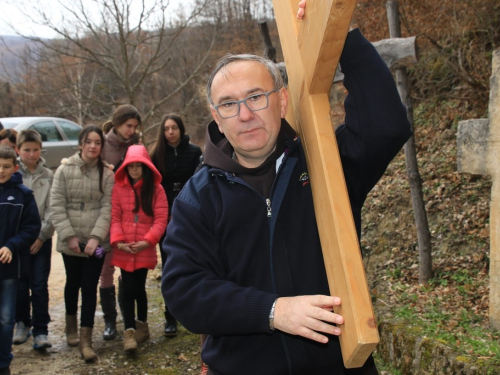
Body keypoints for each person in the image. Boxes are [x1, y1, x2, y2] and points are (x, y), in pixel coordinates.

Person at [161, 2, 412, 374]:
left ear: (280, 101)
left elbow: (386, 124)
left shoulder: (326, 164)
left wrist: (335, 30)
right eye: (229, 104)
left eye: (255, 97)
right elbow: (185, 292)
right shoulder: (198, 198)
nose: (244, 114)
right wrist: (273, 311)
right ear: (216, 117)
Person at [50, 126, 115, 363]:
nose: (93, 146)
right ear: (81, 144)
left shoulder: (107, 174)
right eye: (88, 142)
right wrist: (69, 237)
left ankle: (87, 341)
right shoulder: (64, 171)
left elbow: (107, 207)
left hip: (96, 243)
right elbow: (56, 205)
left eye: (97, 142)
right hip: (72, 240)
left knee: (89, 287)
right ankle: (70, 327)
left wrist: (97, 238)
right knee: (73, 283)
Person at [110, 145, 168, 353]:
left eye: (138, 166)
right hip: (124, 247)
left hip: (143, 246)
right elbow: (115, 216)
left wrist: (148, 240)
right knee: (127, 288)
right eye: (131, 166)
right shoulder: (119, 188)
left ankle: (142, 324)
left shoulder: (156, 190)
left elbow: (161, 219)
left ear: (146, 167)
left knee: (139, 288)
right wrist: (118, 241)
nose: (134, 170)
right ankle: (129, 331)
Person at [150, 113, 202, 336]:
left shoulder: (194, 152)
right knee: (169, 264)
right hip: (164, 214)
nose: (170, 132)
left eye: (174, 128)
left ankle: (194, 312)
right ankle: (170, 317)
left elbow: (197, 182)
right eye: (166, 128)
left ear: (181, 129)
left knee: (194, 262)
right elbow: (154, 186)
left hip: (188, 212)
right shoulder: (156, 154)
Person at [100, 104, 141, 341]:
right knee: (105, 266)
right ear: (117, 124)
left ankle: (128, 317)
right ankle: (108, 319)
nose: (131, 130)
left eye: (135, 127)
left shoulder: (137, 145)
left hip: (131, 217)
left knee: (128, 269)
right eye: (128, 126)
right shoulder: (104, 145)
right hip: (107, 214)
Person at [0, 145, 41, 375]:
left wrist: (10, 246)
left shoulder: (23, 195)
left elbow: (31, 228)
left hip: (9, 268)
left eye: (6, 166)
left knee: (6, 318)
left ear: (15, 168)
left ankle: (3, 362)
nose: (1, 170)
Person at [12, 130, 54, 350]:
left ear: (40, 150)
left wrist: (41, 236)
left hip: (41, 240)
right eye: (26, 150)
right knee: (20, 284)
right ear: (18, 150)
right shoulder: (11, 173)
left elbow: (52, 208)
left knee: (39, 285)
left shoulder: (48, 175)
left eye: (35, 149)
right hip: (17, 241)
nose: (31, 154)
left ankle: (41, 329)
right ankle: (22, 323)